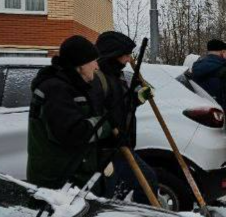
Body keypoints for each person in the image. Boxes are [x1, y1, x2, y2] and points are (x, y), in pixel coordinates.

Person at [27, 35, 110, 190]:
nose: (97, 67)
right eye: (94, 61)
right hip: (57, 184)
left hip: (73, 177)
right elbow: (74, 133)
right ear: (81, 64)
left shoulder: (75, 85)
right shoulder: (56, 90)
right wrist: (106, 124)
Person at [88, 31, 158, 205]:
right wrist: (110, 131)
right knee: (106, 199)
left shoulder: (116, 75)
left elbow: (121, 104)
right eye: (125, 55)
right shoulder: (96, 79)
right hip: (105, 151)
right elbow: (98, 113)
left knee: (145, 181)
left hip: (122, 146)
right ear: (113, 54)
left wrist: (137, 96)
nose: (128, 60)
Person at [191, 39, 226, 207]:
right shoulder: (225, 72)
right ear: (222, 52)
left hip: (202, 122)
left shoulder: (194, 71)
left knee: (210, 159)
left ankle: (210, 196)